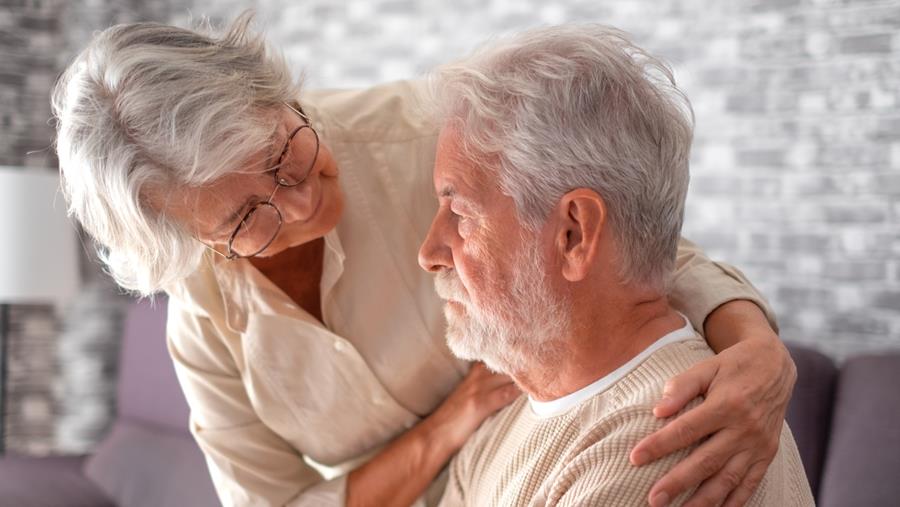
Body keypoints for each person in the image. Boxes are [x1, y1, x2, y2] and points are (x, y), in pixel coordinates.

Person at [52, 13, 797, 507]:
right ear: (198, 244)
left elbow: (621, 239)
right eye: (249, 216)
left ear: (277, 94)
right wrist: (446, 426)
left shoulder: (427, 134)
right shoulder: (205, 321)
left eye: (286, 153)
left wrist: (756, 347)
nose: (302, 203)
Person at [417, 24, 813, 507]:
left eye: (459, 215)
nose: (429, 253)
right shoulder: (505, 425)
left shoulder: (663, 441)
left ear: (574, 235)